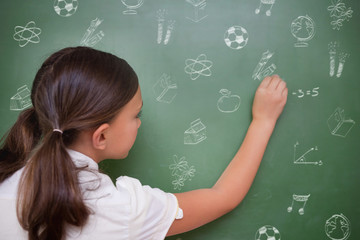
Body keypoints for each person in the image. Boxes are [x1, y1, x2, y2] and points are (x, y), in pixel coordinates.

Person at [0, 46, 287, 240]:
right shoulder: (120, 209)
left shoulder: (6, 178)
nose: (139, 122)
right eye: (135, 114)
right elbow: (223, 197)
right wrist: (263, 121)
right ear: (101, 136)